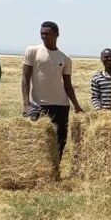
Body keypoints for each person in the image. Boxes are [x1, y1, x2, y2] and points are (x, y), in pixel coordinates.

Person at [21, 21, 84, 158]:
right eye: (42, 33)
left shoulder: (65, 58)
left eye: (47, 33)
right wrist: (26, 103)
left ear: (57, 34)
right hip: (40, 104)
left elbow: (68, 85)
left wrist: (76, 106)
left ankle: (55, 172)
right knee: (41, 141)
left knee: (60, 141)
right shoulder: (32, 51)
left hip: (62, 105)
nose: (44, 36)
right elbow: (25, 78)